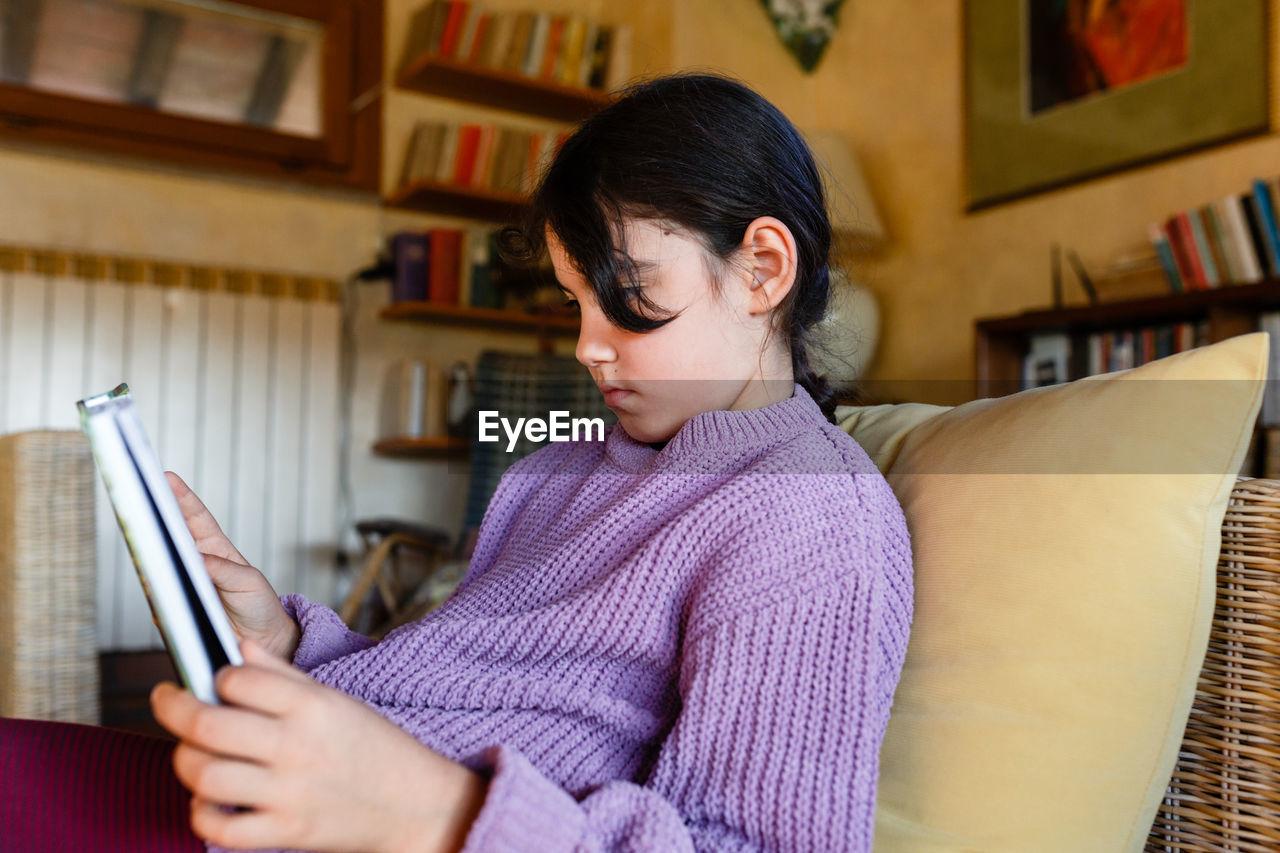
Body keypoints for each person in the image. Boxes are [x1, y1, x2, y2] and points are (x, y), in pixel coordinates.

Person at [0, 72, 913, 853]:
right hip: (282, 804)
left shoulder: (813, 519)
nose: (591, 347)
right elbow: (460, 693)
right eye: (574, 304)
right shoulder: (573, 468)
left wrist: (435, 814)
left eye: (633, 300)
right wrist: (287, 644)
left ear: (762, 267)